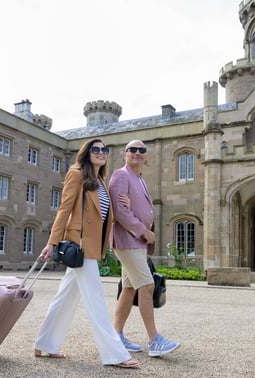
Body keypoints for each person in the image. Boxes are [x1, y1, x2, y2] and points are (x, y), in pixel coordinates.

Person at [34, 139, 139, 369]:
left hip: (92, 245)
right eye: (96, 149)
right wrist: (52, 242)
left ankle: (45, 344)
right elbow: (64, 209)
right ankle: (115, 354)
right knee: (96, 298)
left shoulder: (100, 180)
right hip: (80, 244)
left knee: (65, 297)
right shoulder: (76, 174)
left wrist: (127, 205)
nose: (101, 153)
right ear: (86, 153)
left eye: (105, 150)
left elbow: (105, 214)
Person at [109, 139, 181, 357]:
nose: (137, 153)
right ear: (124, 154)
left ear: (147, 156)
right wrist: (144, 231)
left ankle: (116, 336)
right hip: (128, 241)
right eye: (132, 149)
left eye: (142, 150)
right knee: (147, 287)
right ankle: (154, 341)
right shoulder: (121, 175)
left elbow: (135, 207)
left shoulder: (139, 179)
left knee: (129, 289)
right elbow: (119, 211)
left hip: (137, 243)